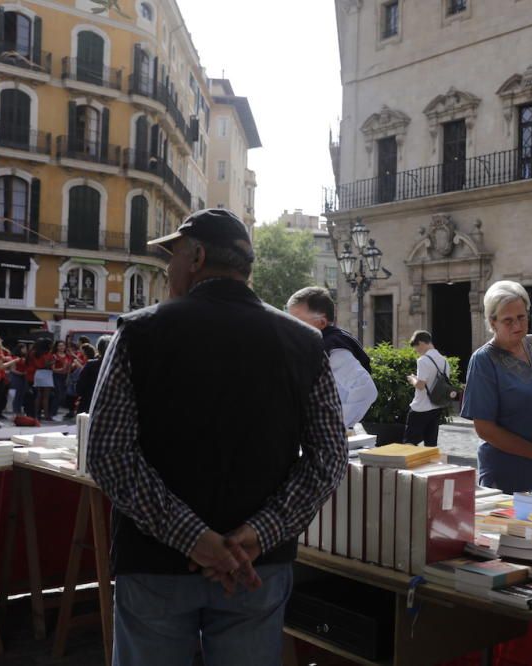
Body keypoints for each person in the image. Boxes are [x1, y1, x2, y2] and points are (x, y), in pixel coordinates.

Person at [87, 208, 348, 664]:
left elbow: (108, 453)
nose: (167, 268)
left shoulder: (138, 332)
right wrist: (256, 535)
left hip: (156, 566)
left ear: (198, 256)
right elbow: (329, 457)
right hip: (255, 568)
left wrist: (194, 539)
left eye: (173, 256)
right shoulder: (305, 343)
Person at [461, 280, 532, 493]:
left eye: (521, 317)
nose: (517, 326)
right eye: (508, 321)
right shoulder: (483, 360)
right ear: (493, 323)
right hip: (505, 472)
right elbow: (484, 429)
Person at [286, 286, 378, 429]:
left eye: (296, 321)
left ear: (321, 322)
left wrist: (333, 425)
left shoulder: (333, 349)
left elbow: (366, 389)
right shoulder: (322, 343)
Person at [403, 330, 450, 447]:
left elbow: (420, 385)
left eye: (416, 348)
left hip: (421, 407)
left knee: (410, 443)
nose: (417, 352)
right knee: (431, 444)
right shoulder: (444, 361)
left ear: (421, 343)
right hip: (437, 406)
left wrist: (412, 379)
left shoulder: (423, 360)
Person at [75, 339, 107, 414]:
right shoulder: (115, 365)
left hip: (89, 400)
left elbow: (81, 383)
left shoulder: (91, 364)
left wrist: (79, 393)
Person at [29, 338, 54, 421]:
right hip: (46, 373)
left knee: (38, 395)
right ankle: (46, 415)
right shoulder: (48, 354)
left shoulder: (34, 353)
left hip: (38, 373)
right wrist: (53, 362)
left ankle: (36, 415)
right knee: (46, 396)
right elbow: (46, 364)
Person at [8, 344, 29, 415]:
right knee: (17, 394)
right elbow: (12, 369)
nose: (26, 350)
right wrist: (22, 373)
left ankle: (19, 410)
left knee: (22, 394)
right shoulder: (14, 358)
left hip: (23, 377)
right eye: (24, 348)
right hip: (16, 377)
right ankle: (16, 411)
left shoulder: (25, 358)